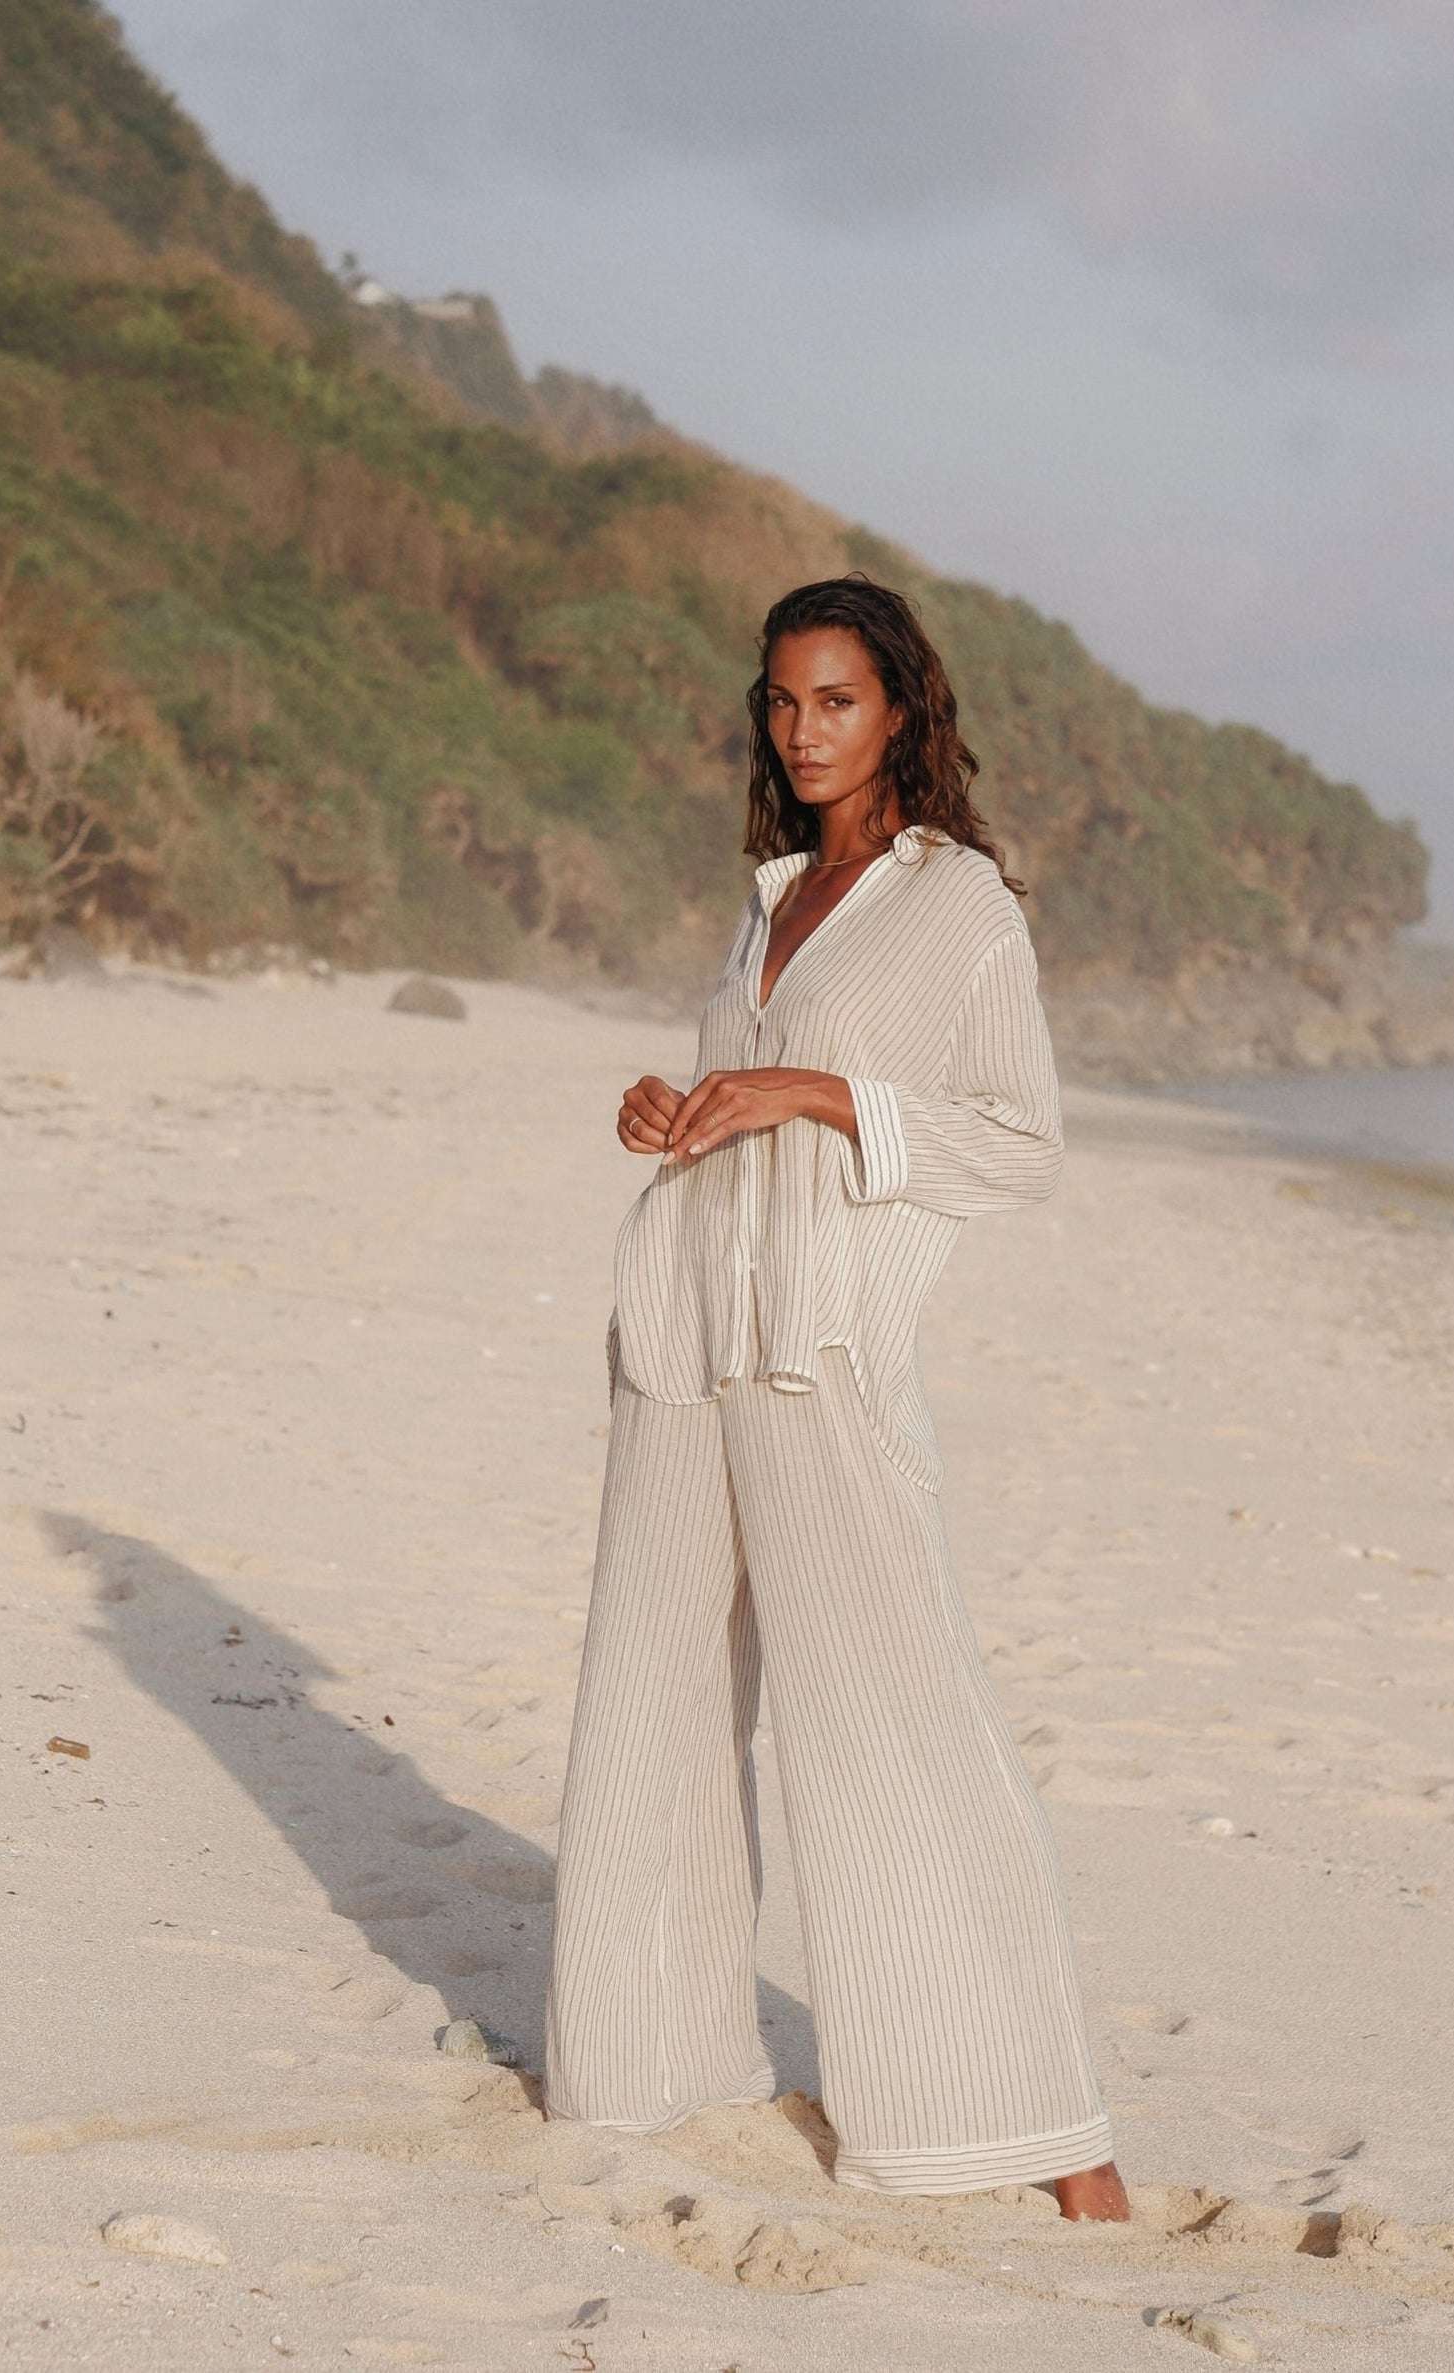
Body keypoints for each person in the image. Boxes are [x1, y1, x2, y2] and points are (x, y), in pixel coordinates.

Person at [543, 575, 1129, 2221]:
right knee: (650, 1698)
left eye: (837, 701)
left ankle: (1043, 2128)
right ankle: (645, 2067)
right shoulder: (775, 896)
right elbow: (748, 1097)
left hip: (821, 1351)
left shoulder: (960, 906)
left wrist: (806, 1087)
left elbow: (1017, 1140)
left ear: (901, 709)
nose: (802, 731)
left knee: (893, 1713)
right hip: (683, 1337)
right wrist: (675, 1106)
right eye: (783, 701)